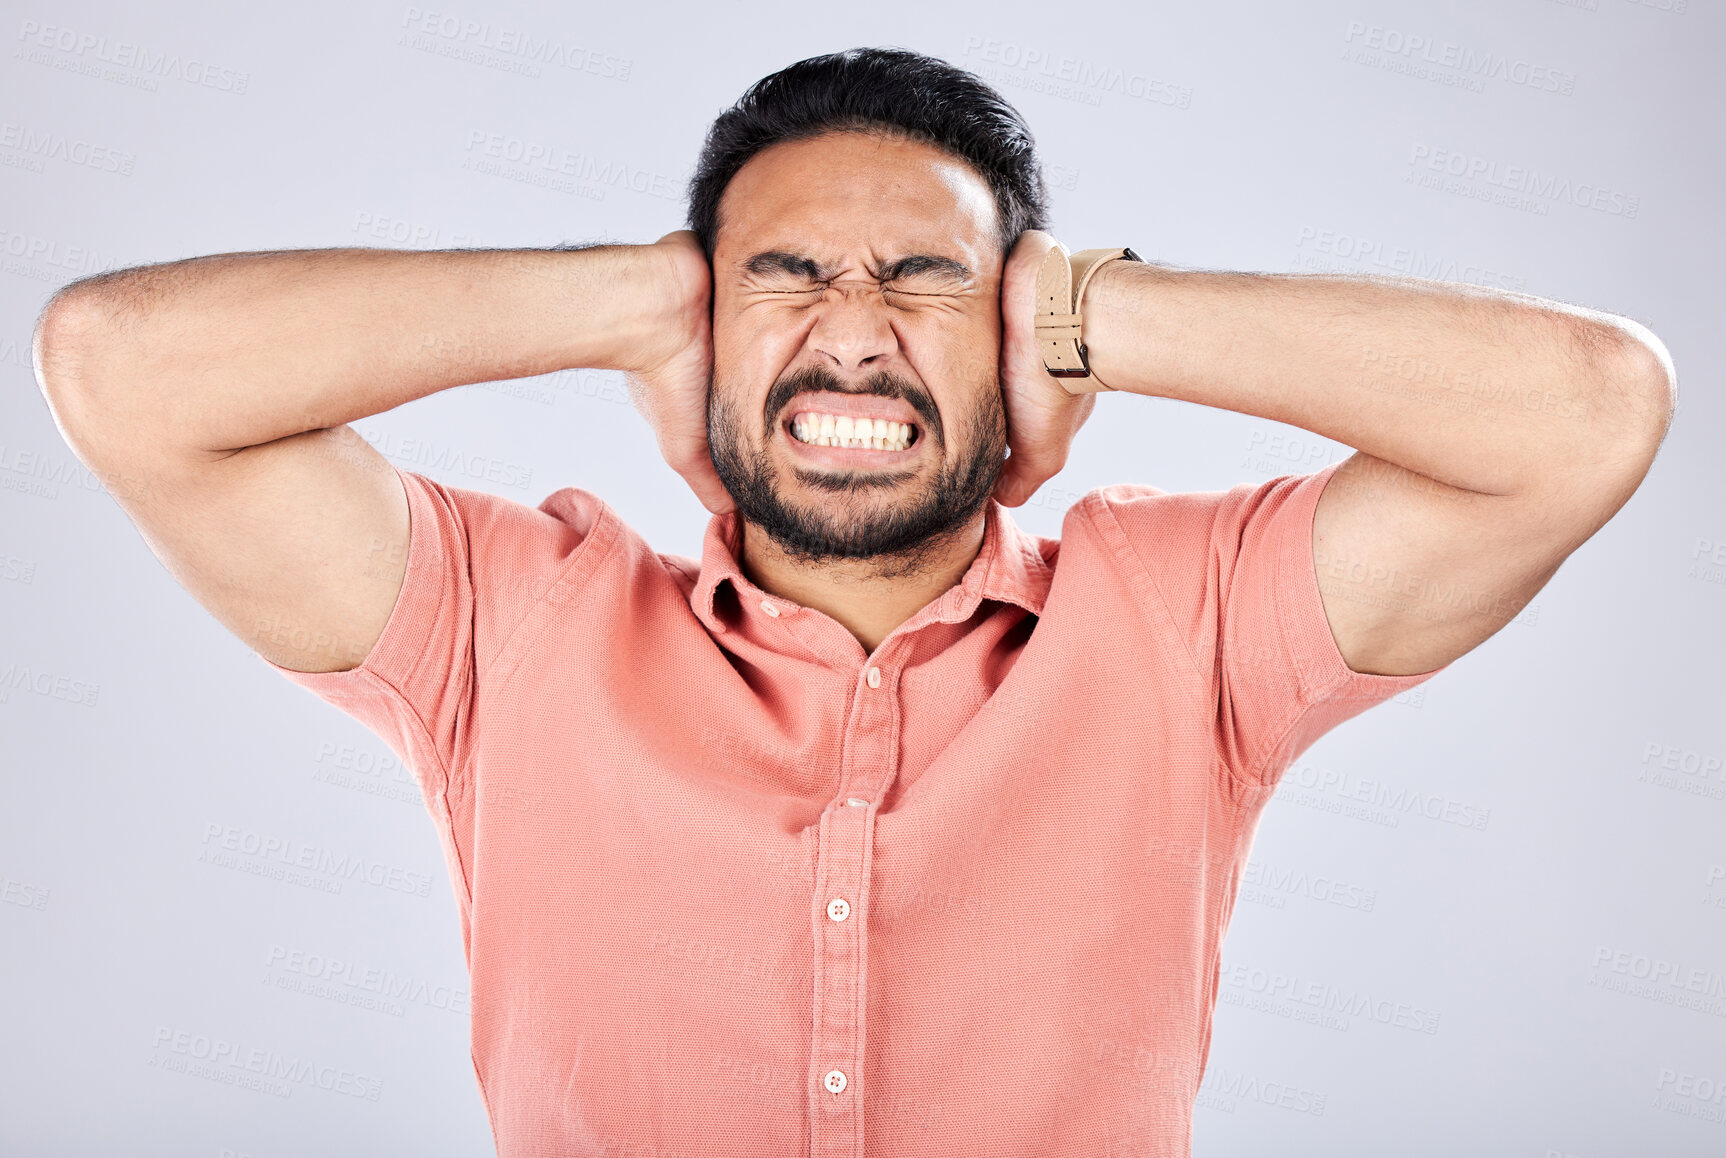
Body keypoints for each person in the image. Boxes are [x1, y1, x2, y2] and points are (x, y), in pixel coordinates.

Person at [32, 46, 1673, 1158]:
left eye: (926, 277)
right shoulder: (507, 623)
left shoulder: (1185, 621)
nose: (854, 326)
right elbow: (120, 365)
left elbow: (1587, 410)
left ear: (1021, 326)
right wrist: (630, 297)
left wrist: (1095, 311)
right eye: (784, 273)